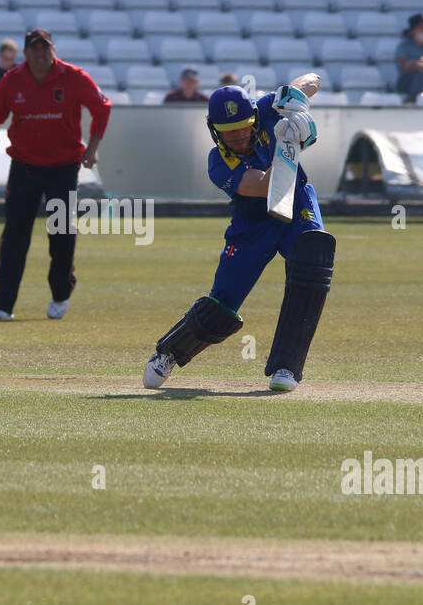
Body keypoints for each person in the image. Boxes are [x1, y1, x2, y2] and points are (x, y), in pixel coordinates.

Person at [142, 74, 335, 393]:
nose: (240, 136)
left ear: (254, 116)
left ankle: (287, 366)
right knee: (221, 307)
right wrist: (290, 144)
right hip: (253, 222)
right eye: (229, 132)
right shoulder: (218, 162)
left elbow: (312, 80)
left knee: (313, 258)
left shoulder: (268, 107)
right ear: (214, 129)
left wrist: (295, 99)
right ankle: (169, 353)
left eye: (245, 126)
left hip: (297, 202)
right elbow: (263, 186)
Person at [0, 29, 111, 321]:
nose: (40, 54)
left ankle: (61, 291)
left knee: (60, 232)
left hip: (63, 167)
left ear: (53, 49)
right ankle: (3, 304)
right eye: (35, 49)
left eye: (45, 48)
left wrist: (93, 148)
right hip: (24, 166)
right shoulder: (12, 80)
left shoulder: (74, 77)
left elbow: (102, 107)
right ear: (25, 53)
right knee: (15, 235)